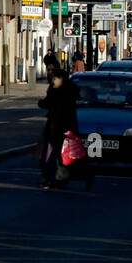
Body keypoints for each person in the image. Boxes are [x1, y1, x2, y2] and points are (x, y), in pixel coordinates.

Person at [37, 64, 93, 192]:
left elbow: (61, 110)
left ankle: (82, 175)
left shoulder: (66, 92)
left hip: (64, 129)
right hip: (53, 128)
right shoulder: (54, 90)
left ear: (62, 79)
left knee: (66, 157)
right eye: (53, 78)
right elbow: (48, 103)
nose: (53, 80)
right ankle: (53, 179)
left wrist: (43, 103)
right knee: (50, 156)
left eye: (55, 78)